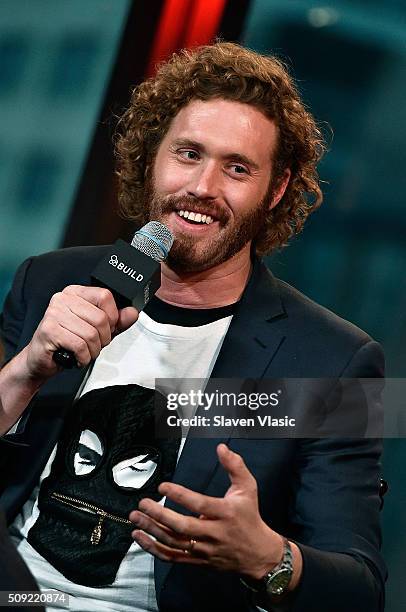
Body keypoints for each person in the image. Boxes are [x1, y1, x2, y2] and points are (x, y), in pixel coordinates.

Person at [0, 42, 385, 611]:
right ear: (153, 158)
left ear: (275, 190)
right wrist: (25, 371)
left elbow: (361, 588)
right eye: (187, 154)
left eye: (236, 168)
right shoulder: (48, 281)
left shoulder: (336, 360)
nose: (202, 187)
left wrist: (266, 556)